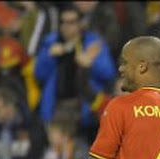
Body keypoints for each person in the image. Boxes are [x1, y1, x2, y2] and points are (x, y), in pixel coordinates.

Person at [34, 4, 116, 141]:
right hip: (57, 106)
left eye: (71, 22)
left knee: (81, 150)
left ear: (80, 23)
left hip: (84, 108)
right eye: (63, 22)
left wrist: (91, 64)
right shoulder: (51, 42)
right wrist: (49, 57)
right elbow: (39, 74)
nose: (67, 26)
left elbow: (108, 73)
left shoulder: (92, 42)